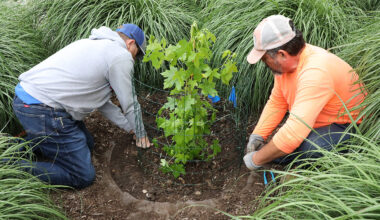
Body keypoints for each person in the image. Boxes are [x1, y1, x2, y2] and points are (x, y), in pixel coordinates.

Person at [12, 23, 151, 188]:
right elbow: (130, 104)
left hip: (28, 101)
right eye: (138, 54)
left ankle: (15, 148)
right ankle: (10, 167)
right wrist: (141, 135)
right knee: (83, 176)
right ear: (130, 44)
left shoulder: (95, 44)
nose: (135, 59)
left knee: (88, 144)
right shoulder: (120, 56)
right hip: (41, 110)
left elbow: (102, 104)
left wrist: (131, 128)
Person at [243, 15, 366, 170]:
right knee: (282, 148)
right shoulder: (284, 69)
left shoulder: (315, 71)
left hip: (349, 127)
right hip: (319, 122)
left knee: (310, 148)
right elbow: (277, 102)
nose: (264, 63)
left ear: (282, 54)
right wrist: (258, 135)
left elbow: (293, 133)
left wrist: (255, 160)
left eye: (265, 58)